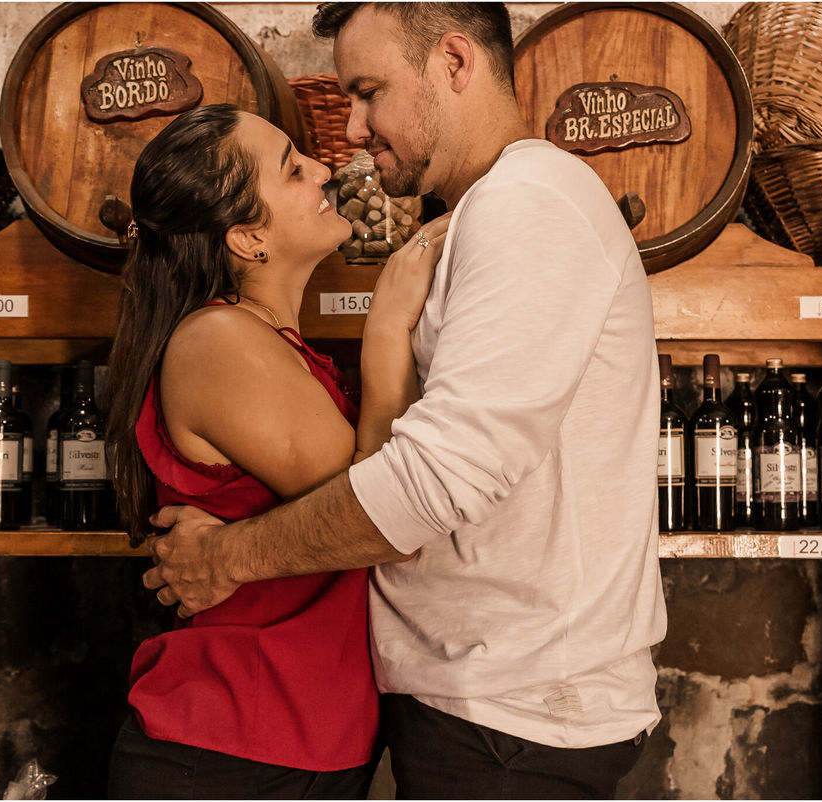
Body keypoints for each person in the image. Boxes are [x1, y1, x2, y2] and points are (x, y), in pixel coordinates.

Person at [143, 3, 668, 798]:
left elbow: (432, 481)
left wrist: (226, 556)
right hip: (472, 711)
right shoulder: (481, 215)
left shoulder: (528, 205)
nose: (347, 134)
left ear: (454, 63)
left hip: (512, 719)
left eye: (367, 92)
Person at [104, 102, 448, 799]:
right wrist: (386, 327)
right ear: (247, 240)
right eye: (293, 169)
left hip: (289, 737)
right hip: (231, 742)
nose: (324, 168)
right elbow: (382, 517)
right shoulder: (218, 342)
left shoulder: (271, 347)